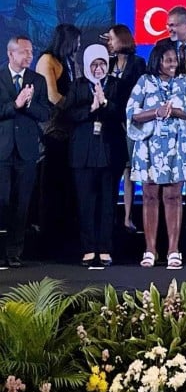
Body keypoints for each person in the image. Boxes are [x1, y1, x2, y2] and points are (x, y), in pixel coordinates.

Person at [126, 41, 186, 270]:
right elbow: (132, 112)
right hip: (149, 147)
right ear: (157, 60)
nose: (173, 64)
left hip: (177, 147)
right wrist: (155, 113)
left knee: (173, 196)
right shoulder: (144, 81)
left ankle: (173, 250)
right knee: (149, 196)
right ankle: (150, 249)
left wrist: (176, 112)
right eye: (168, 60)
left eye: (175, 60)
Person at [66, 44, 124, 267]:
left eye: (102, 64)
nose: (98, 69)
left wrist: (105, 103)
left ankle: (105, 248)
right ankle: (88, 248)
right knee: (86, 202)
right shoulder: (78, 85)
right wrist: (90, 108)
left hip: (110, 152)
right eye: (94, 65)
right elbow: (67, 114)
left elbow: (124, 112)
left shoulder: (117, 85)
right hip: (83, 152)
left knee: (108, 202)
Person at [0, 36, 50, 268]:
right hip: (3, 150)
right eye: (23, 52)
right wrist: (15, 105)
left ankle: (14, 253)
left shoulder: (37, 80)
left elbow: (45, 113)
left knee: (21, 204)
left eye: (31, 51)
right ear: (10, 54)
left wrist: (28, 105)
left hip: (27, 152)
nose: (29, 56)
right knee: (2, 201)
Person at [35, 23, 81, 252]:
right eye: (77, 41)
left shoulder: (70, 62)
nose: (79, 46)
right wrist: (78, 111)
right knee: (52, 184)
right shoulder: (47, 60)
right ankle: (49, 237)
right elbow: (53, 96)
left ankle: (67, 234)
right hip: (54, 131)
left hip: (70, 132)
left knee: (67, 185)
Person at [105, 24, 147, 233]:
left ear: (122, 39)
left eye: (111, 39)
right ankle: (109, 216)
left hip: (131, 124)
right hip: (111, 123)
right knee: (111, 171)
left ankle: (128, 217)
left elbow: (141, 94)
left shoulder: (138, 63)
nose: (109, 43)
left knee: (129, 170)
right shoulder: (108, 63)